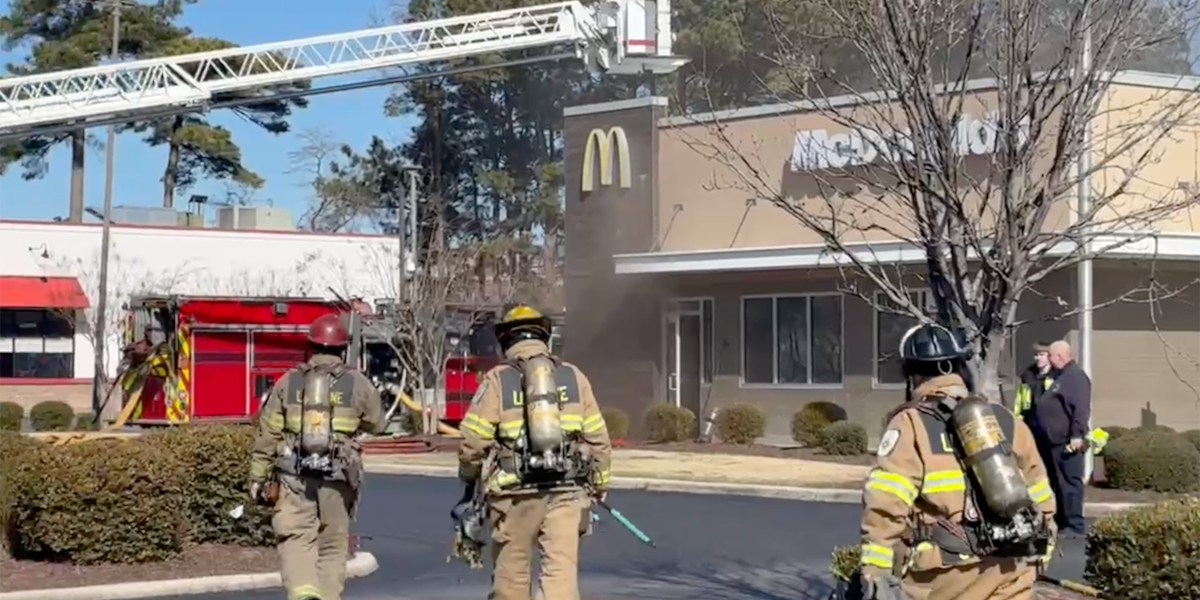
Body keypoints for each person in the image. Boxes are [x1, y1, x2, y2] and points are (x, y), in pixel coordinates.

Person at [858, 323, 1056, 600]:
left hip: (947, 576)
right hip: (1013, 569)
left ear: (912, 375)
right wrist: (1041, 552)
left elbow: (886, 503)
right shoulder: (1004, 420)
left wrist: (875, 572)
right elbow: (1040, 493)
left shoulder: (910, 423)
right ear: (958, 367)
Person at [457, 305, 612, 600]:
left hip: (514, 496)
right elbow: (599, 440)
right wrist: (600, 483)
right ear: (544, 336)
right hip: (566, 493)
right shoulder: (574, 377)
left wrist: (469, 477)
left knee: (511, 581)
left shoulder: (497, 380)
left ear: (506, 340)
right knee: (560, 580)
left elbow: (473, 442)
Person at [248, 313, 385, 600]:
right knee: (333, 544)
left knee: (296, 536)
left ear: (310, 346)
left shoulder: (288, 381)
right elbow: (377, 423)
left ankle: (303, 594)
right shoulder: (358, 382)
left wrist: (258, 477)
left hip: (293, 474)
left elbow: (267, 432)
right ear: (342, 349)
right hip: (338, 476)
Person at [1037, 340, 1092, 537]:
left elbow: (1080, 410)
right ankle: (1062, 520)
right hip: (1052, 442)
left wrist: (1077, 435)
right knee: (1057, 483)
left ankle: (1075, 526)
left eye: (1050, 356)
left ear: (1060, 356)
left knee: (1070, 483)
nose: (1049, 360)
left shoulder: (1076, 378)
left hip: (1067, 442)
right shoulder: (1062, 377)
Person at [1014, 342, 1054, 423]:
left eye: (1042, 355)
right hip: (1030, 419)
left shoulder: (1055, 375)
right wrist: (1018, 418)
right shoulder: (1028, 374)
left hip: (1049, 421)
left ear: (1049, 356)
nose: (1038, 358)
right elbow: (1019, 399)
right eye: (1036, 355)